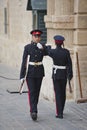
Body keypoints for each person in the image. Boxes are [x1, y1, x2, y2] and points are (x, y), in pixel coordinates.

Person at [20, 29, 47, 121]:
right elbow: (24, 61)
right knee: (32, 92)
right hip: (30, 72)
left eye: (39, 36)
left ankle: (33, 109)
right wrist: (22, 75)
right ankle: (34, 111)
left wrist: (43, 48)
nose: (37, 38)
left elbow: (48, 53)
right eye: (36, 36)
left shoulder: (42, 46)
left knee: (37, 92)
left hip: (39, 72)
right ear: (32, 37)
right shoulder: (27, 47)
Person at [46, 35, 73, 119]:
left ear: (55, 42)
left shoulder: (53, 52)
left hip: (56, 74)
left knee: (57, 93)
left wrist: (48, 47)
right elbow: (69, 64)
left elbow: (47, 50)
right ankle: (62, 109)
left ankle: (59, 113)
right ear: (62, 43)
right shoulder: (66, 52)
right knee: (62, 92)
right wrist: (70, 75)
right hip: (64, 74)